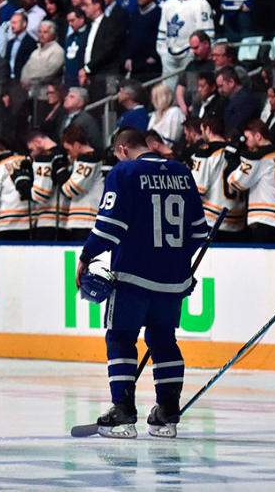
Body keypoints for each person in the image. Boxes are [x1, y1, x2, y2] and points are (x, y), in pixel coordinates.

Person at [76, 127, 208, 438]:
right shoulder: (181, 171)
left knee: (121, 338)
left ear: (121, 149)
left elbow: (108, 228)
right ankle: (167, 412)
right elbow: (198, 232)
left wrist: (85, 258)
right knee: (164, 339)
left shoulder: (124, 172)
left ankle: (122, 411)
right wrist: (180, 267)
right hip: (173, 279)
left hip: (133, 276)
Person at [227, 121, 275, 243]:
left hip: (269, 221)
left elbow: (236, 183)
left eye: (247, 138)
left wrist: (233, 161)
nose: (245, 142)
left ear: (258, 136)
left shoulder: (258, 157)